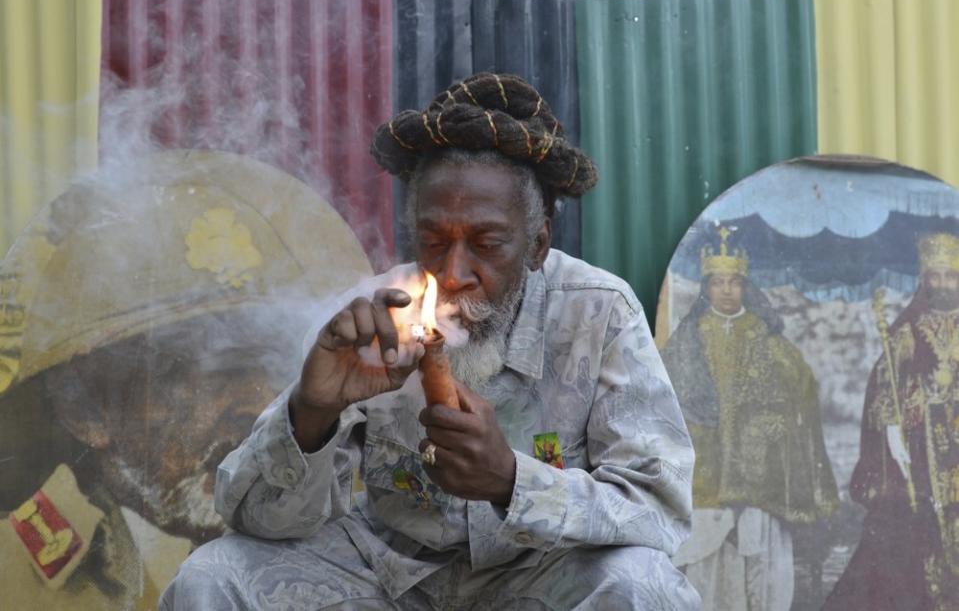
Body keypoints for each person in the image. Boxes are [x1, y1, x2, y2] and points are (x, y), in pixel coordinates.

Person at [161, 73, 700, 609]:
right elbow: (257, 518)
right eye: (433, 241)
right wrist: (313, 412)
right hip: (385, 579)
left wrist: (512, 480)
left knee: (642, 584)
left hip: (540, 577)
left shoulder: (599, 312)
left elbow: (659, 510)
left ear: (537, 244)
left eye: (488, 244)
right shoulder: (365, 323)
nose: (453, 273)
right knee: (213, 576)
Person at [0, 151, 371, 609]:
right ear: (85, 409)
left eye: (275, 363)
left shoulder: (356, 539)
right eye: (206, 371)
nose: (257, 404)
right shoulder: (14, 572)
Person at [662, 227, 838, 611]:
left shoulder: (770, 342)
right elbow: (665, 402)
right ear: (706, 288)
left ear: (745, 287)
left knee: (761, 558)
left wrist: (771, 428)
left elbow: (801, 398)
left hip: (759, 475)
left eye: (734, 282)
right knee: (708, 566)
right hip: (706, 474)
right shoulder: (685, 342)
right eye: (718, 282)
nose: (726, 290)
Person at [824, 233, 959, 611]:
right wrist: (907, 408)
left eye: (952, 275)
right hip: (922, 453)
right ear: (924, 279)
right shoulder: (906, 331)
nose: (944, 283)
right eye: (937, 276)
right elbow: (885, 391)